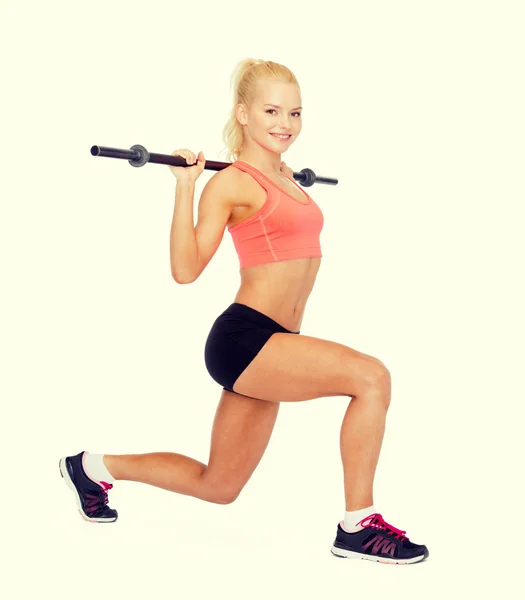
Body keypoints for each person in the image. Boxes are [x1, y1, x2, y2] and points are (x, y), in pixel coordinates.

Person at [59, 58, 429, 565]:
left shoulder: (286, 176)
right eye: (271, 110)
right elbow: (185, 270)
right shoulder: (231, 182)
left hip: (277, 342)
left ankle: (92, 467)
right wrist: (185, 186)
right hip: (247, 339)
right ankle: (357, 525)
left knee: (219, 485)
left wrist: (283, 176)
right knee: (371, 378)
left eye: (295, 113)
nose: (285, 123)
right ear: (244, 113)